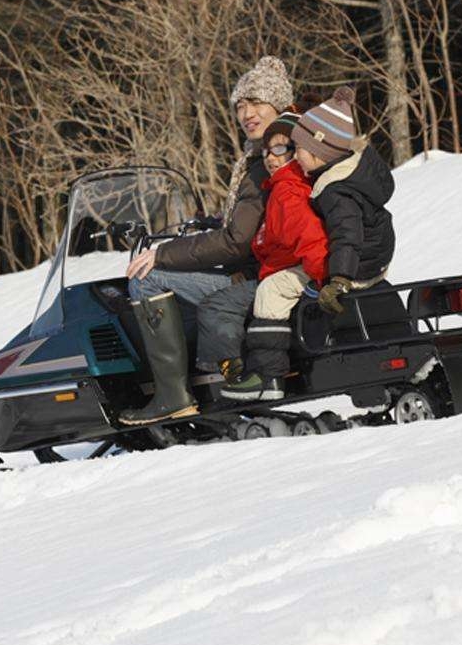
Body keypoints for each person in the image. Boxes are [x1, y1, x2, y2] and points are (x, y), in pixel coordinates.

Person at [116, 56, 294, 425]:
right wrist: (207, 224)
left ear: (278, 105)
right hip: (260, 269)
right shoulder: (274, 151)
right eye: (241, 105)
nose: (247, 113)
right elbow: (248, 223)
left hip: (257, 275)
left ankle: (172, 396)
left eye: (257, 103)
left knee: (146, 278)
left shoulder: (267, 161)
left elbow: (237, 242)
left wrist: (163, 253)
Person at [223, 85, 394, 401]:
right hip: (373, 257)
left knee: (271, 290)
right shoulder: (355, 170)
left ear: (320, 150)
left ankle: (266, 377)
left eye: (296, 149)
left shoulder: (332, 190)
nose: (293, 157)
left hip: (349, 265)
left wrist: (332, 279)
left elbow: (341, 236)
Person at [193, 112, 327, 398]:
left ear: (297, 151)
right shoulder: (278, 187)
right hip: (280, 269)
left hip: (298, 273)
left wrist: (322, 279)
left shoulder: (287, 191)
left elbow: (310, 238)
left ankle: (238, 377)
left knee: (216, 305)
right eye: (266, 150)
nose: (271, 157)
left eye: (280, 149)